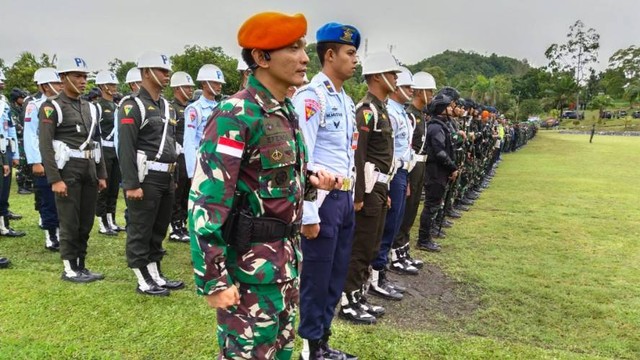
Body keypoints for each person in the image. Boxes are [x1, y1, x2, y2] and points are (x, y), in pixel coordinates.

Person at [189, 12, 339, 359]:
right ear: (261, 57)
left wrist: (311, 183)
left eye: (304, 47)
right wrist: (214, 280)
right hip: (248, 274)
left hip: (285, 267)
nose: (304, 58)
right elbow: (205, 201)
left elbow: (272, 182)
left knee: (282, 353)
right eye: (293, 48)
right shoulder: (235, 113)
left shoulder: (284, 111)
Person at [292, 21, 360, 360]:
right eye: (350, 53)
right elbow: (301, 157)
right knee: (317, 276)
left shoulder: (347, 101)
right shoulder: (312, 97)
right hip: (321, 199)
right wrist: (307, 213)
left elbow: (347, 155)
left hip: (344, 197)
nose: (355, 60)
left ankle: (323, 340)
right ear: (329, 55)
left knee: (336, 274)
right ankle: (310, 346)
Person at [339, 52, 400, 325]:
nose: (396, 78)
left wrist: (383, 192)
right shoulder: (366, 110)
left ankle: (359, 296)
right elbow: (359, 155)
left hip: (380, 186)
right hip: (369, 184)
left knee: (373, 245)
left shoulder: (382, 108)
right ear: (378, 76)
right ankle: (348, 302)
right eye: (392, 73)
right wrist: (359, 195)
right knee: (361, 247)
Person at [117, 51, 184, 296]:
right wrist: (131, 184)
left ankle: (155, 272)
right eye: (161, 70)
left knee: (159, 227)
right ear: (146, 72)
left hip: (166, 175)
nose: (167, 75)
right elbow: (125, 148)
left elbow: (172, 143)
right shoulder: (131, 105)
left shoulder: (166, 106)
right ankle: (141, 275)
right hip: (145, 177)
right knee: (140, 227)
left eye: (167, 71)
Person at [38, 56, 107, 282]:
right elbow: (45, 145)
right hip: (67, 169)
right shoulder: (52, 106)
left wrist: (101, 173)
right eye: (77, 76)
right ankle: (69, 268)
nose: (82, 81)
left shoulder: (89, 107)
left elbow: (96, 142)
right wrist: (54, 179)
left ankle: (82, 264)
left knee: (86, 220)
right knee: (69, 220)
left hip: (88, 167)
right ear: (63, 78)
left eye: (85, 76)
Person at [368, 66, 419, 290]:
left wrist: (404, 178)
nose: (410, 90)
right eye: (406, 86)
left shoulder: (401, 113)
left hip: (400, 171)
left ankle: (381, 273)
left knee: (395, 223)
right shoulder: (387, 111)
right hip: (389, 172)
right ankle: (376, 278)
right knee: (386, 227)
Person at [392, 71, 436, 270]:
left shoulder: (419, 115)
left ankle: (404, 250)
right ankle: (396, 253)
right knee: (404, 210)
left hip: (419, 164)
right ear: (420, 92)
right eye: (429, 91)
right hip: (409, 165)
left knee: (412, 211)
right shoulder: (409, 114)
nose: (432, 95)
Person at [24, 68, 63, 251]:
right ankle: (51, 235)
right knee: (48, 200)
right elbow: (30, 134)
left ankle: (63, 232)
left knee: (63, 200)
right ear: (44, 86)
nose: (59, 86)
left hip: (62, 159)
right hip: (44, 159)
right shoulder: (35, 105)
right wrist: (36, 161)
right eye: (55, 83)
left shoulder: (63, 104)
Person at [416, 93, 459, 252]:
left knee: (434, 204)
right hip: (435, 172)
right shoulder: (436, 127)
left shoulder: (441, 125)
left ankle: (427, 236)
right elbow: (440, 152)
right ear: (441, 109)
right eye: (448, 106)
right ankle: (423, 239)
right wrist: (452, 167)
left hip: (439, 171)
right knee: (431, 206)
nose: (451, 109)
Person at [183, 63, 225, 180]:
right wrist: (192, 173)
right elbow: (189, 141)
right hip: (201, 163)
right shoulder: (195, 109)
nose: (219, 86)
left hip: (217, 163)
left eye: (220, 83)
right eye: (215, 83)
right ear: (204, 83)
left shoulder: (221, 107)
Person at [94, 70, 123, 236]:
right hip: (104, 149)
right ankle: (102, 222)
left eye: (114, 84)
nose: (114, 87)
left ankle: (112, 219)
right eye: (111, 84)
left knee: (114, 187)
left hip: (116, 148)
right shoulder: (97, 106)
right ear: (103, 86)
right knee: (103, 188)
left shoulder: (116, 106)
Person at [168, 71, 195, 243]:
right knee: (177, 192)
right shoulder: (172, 109)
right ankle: (174, 227)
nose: (190, 90)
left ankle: (183, 223)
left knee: (187, 191)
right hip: (177, 155)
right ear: (177, 88)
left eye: (191, 87)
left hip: (189, 155)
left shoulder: (189, 108)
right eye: (186, 87)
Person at [0, 84, 25, 237]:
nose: (2, 85)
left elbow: (10, 128)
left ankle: (4, 224)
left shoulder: (3, 102)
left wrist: (14, 154)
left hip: (6, 149)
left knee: (4, 190)